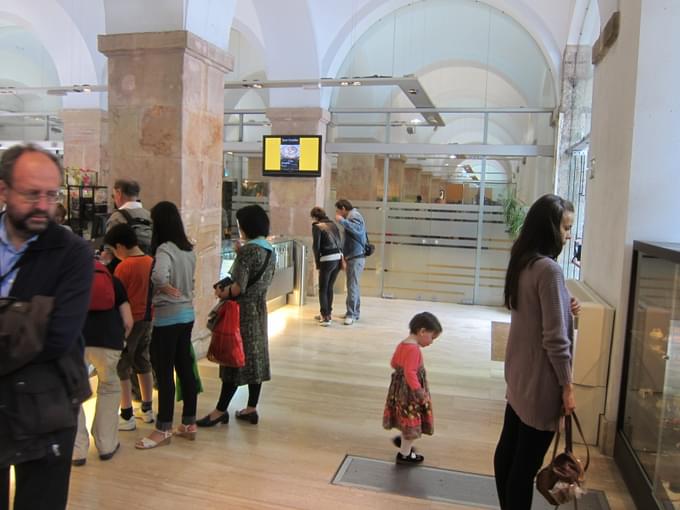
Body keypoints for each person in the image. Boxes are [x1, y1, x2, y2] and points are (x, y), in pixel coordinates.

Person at [0, 144, 93, 509]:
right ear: (3, 190)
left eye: (51, 195)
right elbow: (32, 333)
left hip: (47, 409)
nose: (43, 205)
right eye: (31, 194)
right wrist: (25, 317)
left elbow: (56, 337)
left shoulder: (72, 253)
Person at [493, 194, 581, 510]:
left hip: (518, 377)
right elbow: (556, 340)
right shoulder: (549, 270)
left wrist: (567, 306)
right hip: (541, 384)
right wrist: (568, 386)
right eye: (566, 227)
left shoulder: (523, 261)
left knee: (508, 452)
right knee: (525, 467)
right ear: (550, 228)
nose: (568, 235)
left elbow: (534, 314)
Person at [198, 204, 276, 428]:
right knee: (255, 357)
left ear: (246, 226)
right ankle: (251, 408)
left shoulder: (248, 251)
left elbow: (238, 287)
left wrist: (221, 291)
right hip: (259, 310)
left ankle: (219, 411)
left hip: (240, 313)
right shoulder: (268, 249)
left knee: (233, 357)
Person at [135, 201, 198, 449]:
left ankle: (163, 428)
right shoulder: (188, 248)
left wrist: (163, 286)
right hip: (187, 314)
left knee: (164, 371)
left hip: (168, 316)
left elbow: (160, 275)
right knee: (184, 367)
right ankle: (189, 423)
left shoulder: (164, 250)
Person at [72, 260, 133, 466]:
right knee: (109, 387)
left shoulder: (67, 279)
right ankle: (106, 444)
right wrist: (121, 340)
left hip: (75, 342)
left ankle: (77, 450)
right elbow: (128, 321)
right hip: (109, 341)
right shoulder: (113, 282)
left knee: (74, 393)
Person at [103, 224, 156, 430]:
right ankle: (147, 409)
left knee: (122, 366)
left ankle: (126, 415)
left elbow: (115, 295)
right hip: (147, 318)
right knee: (143, 361)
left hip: (129, 322)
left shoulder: (124, 267)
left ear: (119, 246)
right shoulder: (150, 261)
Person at [383, 312, 442, 466]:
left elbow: (394, 363)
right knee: (412, 424)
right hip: (411, 393)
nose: (432, 342)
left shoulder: (403, 344)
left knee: (405, 418)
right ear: (422, 331)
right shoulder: (414, 349)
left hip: (400, 390)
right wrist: (419, 391)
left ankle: (404, 442)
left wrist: (400, 377)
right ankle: (404, 454)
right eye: (432, 337)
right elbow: (410, 372)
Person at [335, 198, 367, 326]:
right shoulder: (353, 215)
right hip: (354, 256)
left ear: (343, 208)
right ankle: (354, 312)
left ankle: (351, 314)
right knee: (353, 286)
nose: (337, 212)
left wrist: (342, 221)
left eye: (338, 210)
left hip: (356, 257)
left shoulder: (354, 215)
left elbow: (357, 230)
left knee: (352, 286)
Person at [310, 206, 343, 326]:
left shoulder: (316, 226)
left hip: (326, 258)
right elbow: (340, 241)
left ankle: (325, 316)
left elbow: (316, 247)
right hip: (337, 257)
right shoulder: (333, 224)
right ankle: (328, 312)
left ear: (314, 217)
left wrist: (317, 262)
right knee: (329, 287)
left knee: (323, 288)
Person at [106, 179, 153, 254]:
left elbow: (109, 250)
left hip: (125, 263)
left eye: (113, 196)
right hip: (149, 262)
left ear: (119, 193)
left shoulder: (116, 217)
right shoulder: (150, 215)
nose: (114, 199)